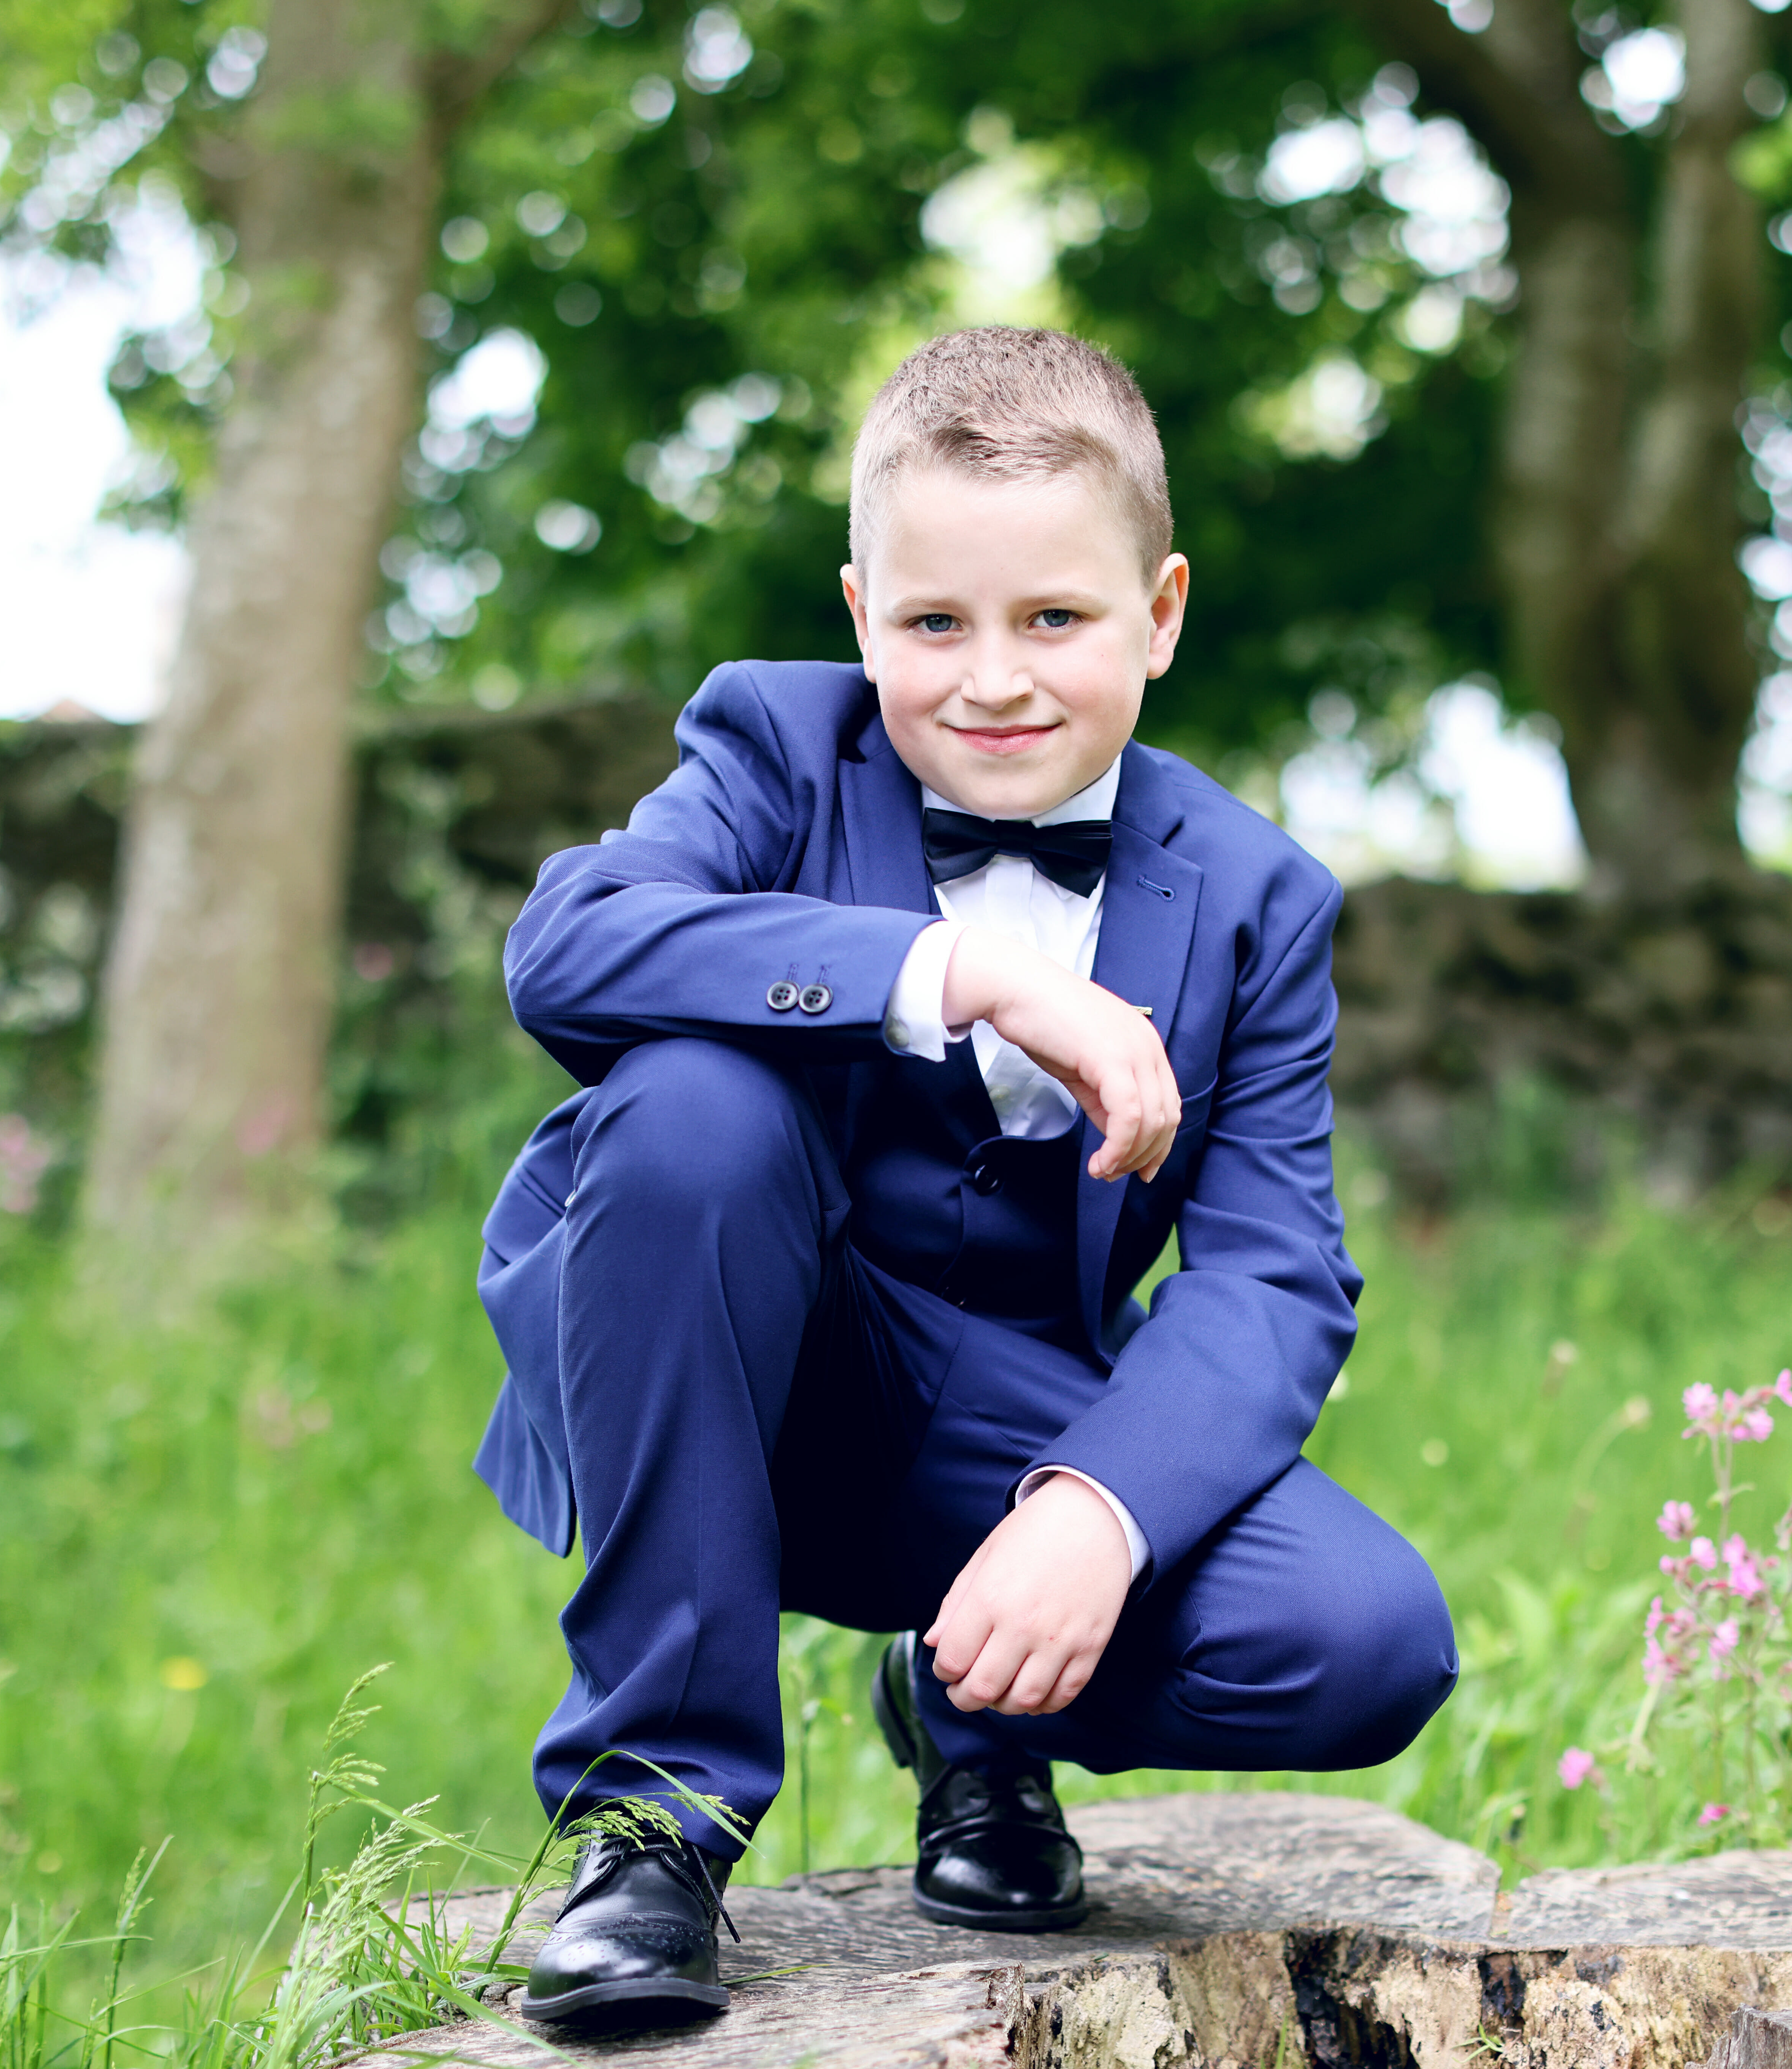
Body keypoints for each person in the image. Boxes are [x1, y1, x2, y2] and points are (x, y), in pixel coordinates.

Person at [471, 325, 1457, 2034]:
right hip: (735, 1364)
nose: (991, 679)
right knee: (696, 1107)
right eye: (934, 624)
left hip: (1005, 1429)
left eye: (1053, 620)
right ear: (861, 616)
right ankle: (651, 1823)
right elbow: (570, 943)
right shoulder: (775, 746)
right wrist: (960, 973)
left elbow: (1269, 1273)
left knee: (1362, 1632)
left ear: (1156, 614)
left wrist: (1096, 1510)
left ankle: (969, 1712)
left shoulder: (1252, 894)